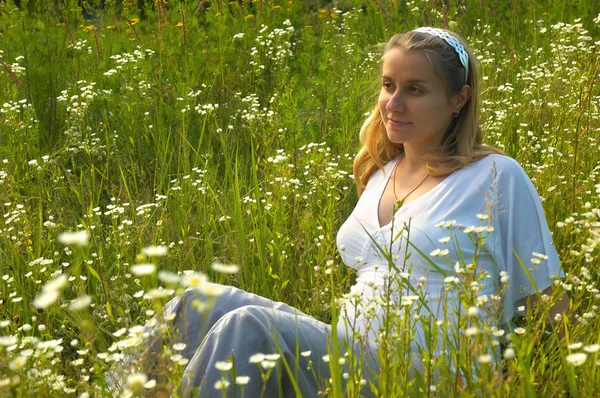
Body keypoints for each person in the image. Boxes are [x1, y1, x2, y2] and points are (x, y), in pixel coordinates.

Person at [110, 27, 568, 397]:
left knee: (245, 326)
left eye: (415, 89)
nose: (395, 103)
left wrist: (535, 382)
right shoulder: (381, 172)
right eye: (389, 86)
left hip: (420, 376)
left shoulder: (495, 176)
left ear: (459, 99)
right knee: (195, 302)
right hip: (348, 351)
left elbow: (549, 305)